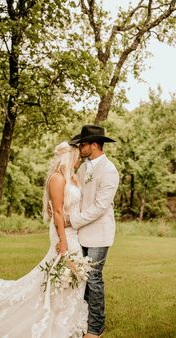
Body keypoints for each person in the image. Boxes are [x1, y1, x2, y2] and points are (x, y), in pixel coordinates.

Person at [0, 141, 89, 338]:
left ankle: (66, 313)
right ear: (68, 158)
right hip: (63, 232)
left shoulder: (73, 178)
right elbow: (57, 211)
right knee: (64, 267)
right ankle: (55, 312)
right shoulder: (57, 179)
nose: (78, 161)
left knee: (72, 271)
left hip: (74, 230)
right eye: (76, 157)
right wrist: (63, 239)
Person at [69, 125, 119, 338]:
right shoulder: (82, 168)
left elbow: (100, 207)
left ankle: (95, 328)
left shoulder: (109, 171)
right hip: (81, 233)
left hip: (99, 234)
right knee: (81, 277)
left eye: (83, 143)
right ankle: (82, 319)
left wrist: (73, 221)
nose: (80, 147)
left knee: (94, 278)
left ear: (95, 145)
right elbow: (78, 199)